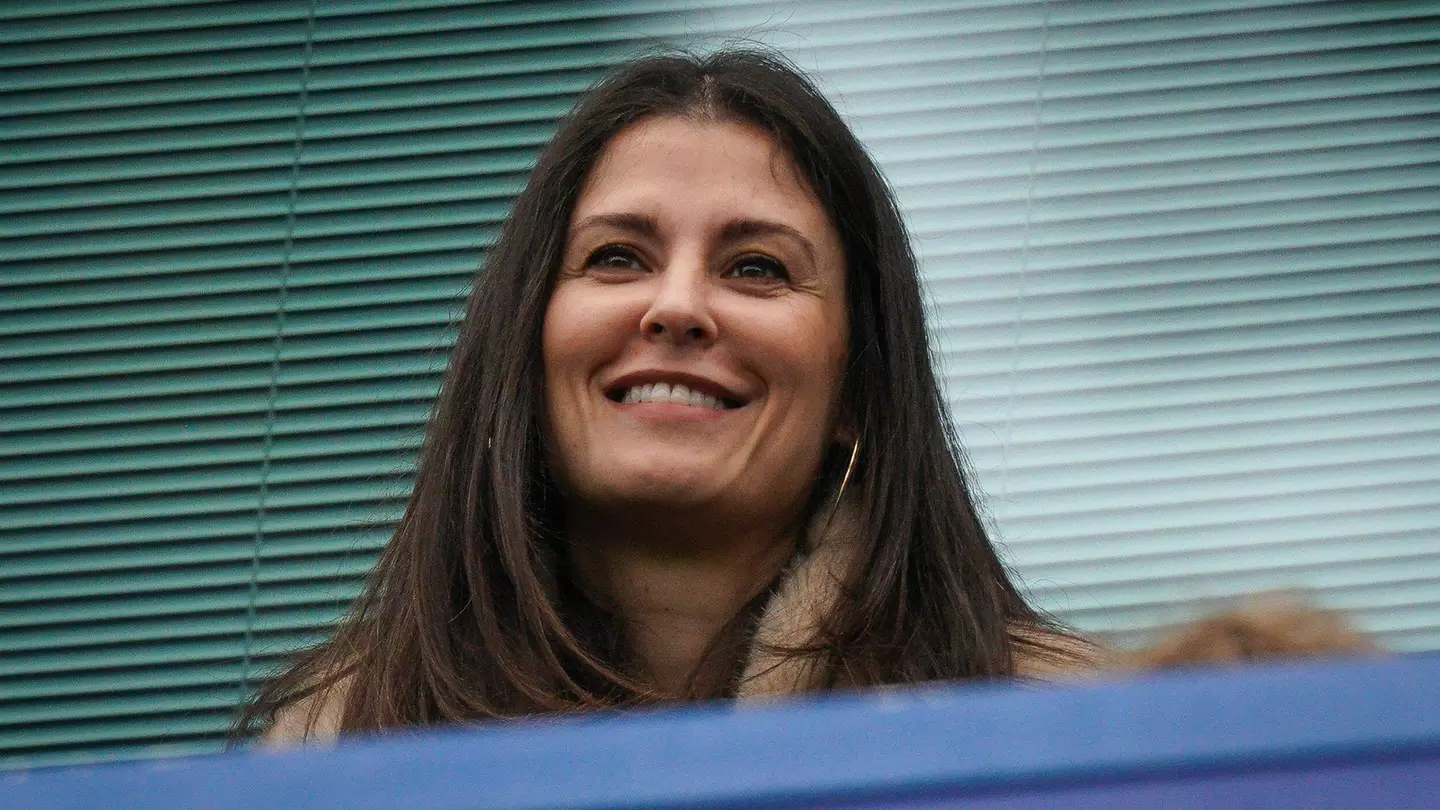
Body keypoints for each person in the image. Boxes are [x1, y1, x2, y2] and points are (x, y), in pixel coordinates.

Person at [240, 48, 1101, 746]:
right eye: (618, 257)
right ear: (526, 354)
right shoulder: (333, 745)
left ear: (857, 391)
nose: (679, 306)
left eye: (756, 268)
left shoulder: (1081, 730)